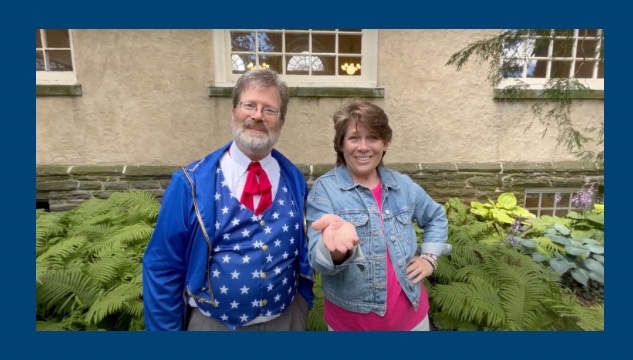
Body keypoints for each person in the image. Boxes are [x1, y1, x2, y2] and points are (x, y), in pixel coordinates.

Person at [143, 68, 340, 331]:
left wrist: (302, 304)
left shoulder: (294, 179)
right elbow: (162, 266)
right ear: (233, 111)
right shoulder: (190, 183)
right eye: (249, 105)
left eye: (269, 110)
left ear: (281, 122)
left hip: (285, 321)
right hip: (212, 325)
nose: (257, 116)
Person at [306, 100, 452, 331]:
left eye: (372, 137)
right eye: (354, 138)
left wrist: (430, 258)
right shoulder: (325, 191)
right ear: (341, 145)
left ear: (385, 144)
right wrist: (335, 249)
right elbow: (318, 261)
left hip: (413, 321)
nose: (363, 147)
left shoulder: (403, 186)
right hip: (351, 326)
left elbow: (436, 216)